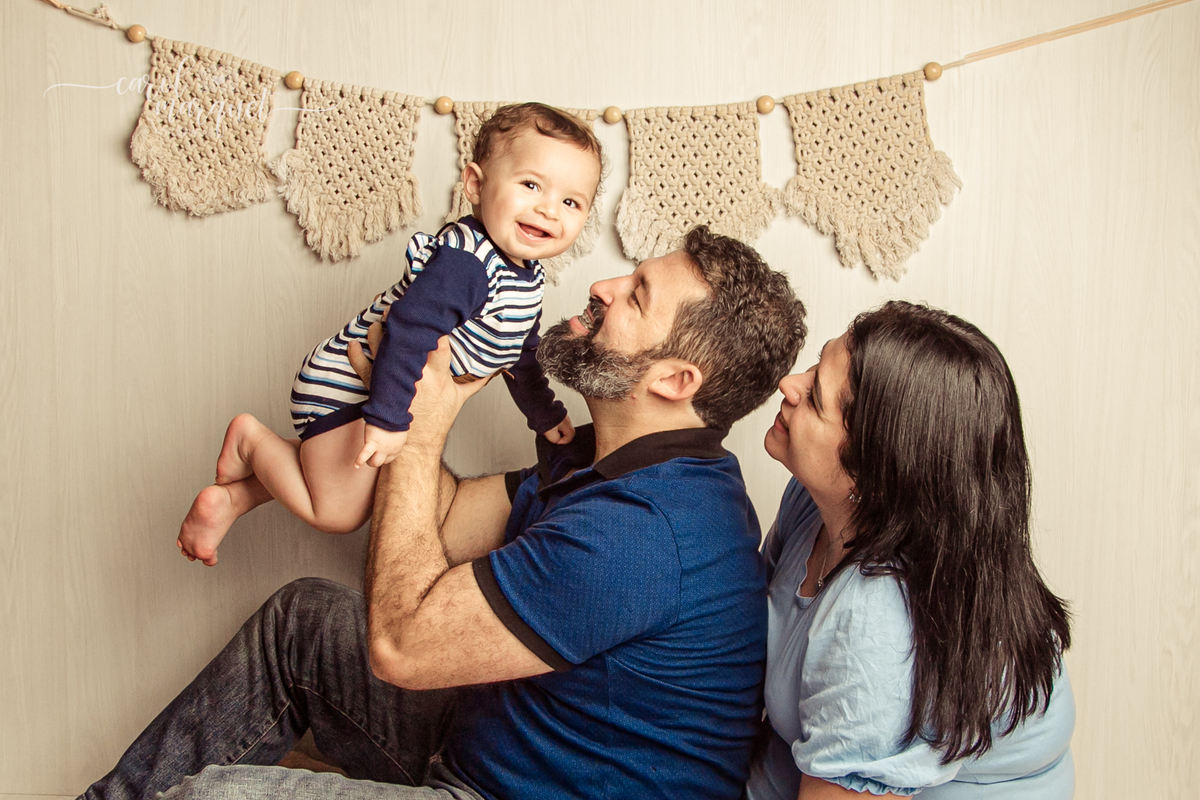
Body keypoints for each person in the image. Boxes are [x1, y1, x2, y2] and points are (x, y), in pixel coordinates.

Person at [80, 226, 808, 800]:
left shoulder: (644, 532)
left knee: (211, 798)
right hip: (493, 741)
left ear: (675, 380)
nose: (604, 285)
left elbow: (400, 646)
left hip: (512, 790)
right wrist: (422, 388)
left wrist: (420, 429)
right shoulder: (621, 462)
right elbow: (451, 514)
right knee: (301, 619)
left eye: (638, 295)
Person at [176, 102, 602, 565]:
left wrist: (543, 412)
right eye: (530, 184)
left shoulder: (527, 275)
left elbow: (519, 352)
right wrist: (387, 419)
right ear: (476, 185)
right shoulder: (467, 263)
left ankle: (234, 500)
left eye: (570, 201)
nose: (548, 209)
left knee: (338, 478)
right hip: (347, 385)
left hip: (381, 390)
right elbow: (408, 331)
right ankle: (250, 441)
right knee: (339, 511)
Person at [746, 301, 1075, 800]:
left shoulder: (876, 624)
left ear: (876, 469)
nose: (789, 383)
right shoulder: (813, 501)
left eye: (815, 398)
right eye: (816, 364)